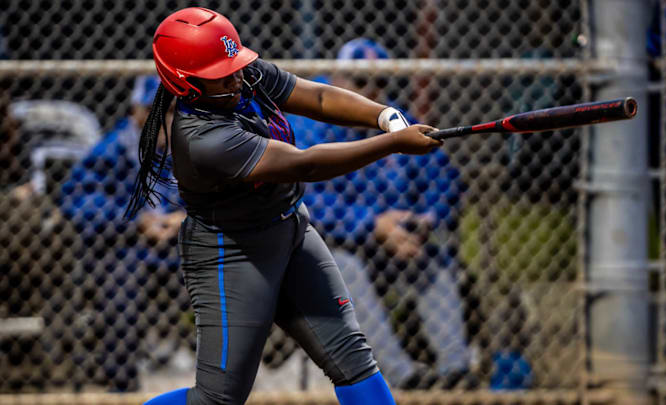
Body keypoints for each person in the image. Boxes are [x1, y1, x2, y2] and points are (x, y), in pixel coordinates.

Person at [135, 7, 442, 405]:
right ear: (186, 84)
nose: (237, 77)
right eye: (220, 75)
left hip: (292, 233)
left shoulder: (242, 75)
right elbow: (305, 163)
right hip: (233, 255)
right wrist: (393, 144)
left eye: (236, 64)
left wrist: (386, 117)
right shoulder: (201, 138)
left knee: (354, 360)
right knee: (218, 398)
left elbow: (315, 95)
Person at [289, 38, 476, 390]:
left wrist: (423, 222)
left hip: (399, 247)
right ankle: (403, 378)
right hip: (336, 245)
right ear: (338, 80)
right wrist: (373, 224)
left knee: (433, 263)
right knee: (347, 271)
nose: (372, 90)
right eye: (361, 82)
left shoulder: (398, 122)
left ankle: (456, 373)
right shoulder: (310, 125)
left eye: (380, 82)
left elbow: (444, 181)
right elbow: (307, 198)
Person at [59, 75, 185, 391]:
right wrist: (135, 221)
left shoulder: (186, 150)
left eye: (172, 113)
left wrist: (184, 218)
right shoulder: (112, 150)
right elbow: (79, 201)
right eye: (157, 113)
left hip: (178, 243)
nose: (166, 121)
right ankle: (122, 386)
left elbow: (213, 195)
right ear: (137, 113)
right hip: (124, 246)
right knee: (120, 289)